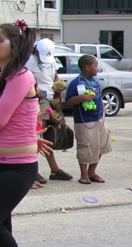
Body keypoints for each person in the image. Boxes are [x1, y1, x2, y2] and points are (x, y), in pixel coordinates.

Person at [0, 20, 51, 247]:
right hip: (4, 159)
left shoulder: (21, 76)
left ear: (15, 45)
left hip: (18, 165)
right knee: (2, 225)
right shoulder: (4, 76)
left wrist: (28, 138)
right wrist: (31, 134)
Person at [25, 37, 73, 181]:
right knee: (37, 135)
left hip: (51, 101)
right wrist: (35, 87)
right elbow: (25, 78)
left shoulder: (51, 59)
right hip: (39, 101)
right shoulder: (28, 61)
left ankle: (54, 170)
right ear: (36, 50)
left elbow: (55, 78)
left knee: (48, 136)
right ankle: (31, 171)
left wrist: (58, 94)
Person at [64, 55, 112, 185]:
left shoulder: (95, 80)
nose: (97, 68)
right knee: (85, 146)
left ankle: (92, 172)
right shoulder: (77, 82)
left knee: (101, 144)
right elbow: (68, 101)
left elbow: (98, 96)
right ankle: (84, 174)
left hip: (99, 117)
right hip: (85, 120)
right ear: (87, 67)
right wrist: (82, 98)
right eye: (95, 66)